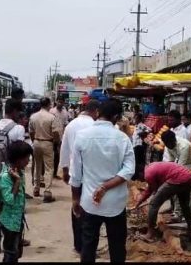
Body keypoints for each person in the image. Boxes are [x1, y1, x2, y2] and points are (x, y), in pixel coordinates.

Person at [69, 98, 135, 263]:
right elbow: (129, 170)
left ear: (98, 113)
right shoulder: (122, 139)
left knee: (88, 246)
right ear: (117, 117)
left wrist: (75, 198)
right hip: (116, 203)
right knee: (117, 246)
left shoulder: (82, 136)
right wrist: (105, 187)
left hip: (89, 201)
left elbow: (76, 173)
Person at [59, 99, 100, 254]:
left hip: (75, 173)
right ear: (96, 111)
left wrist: (64, 169)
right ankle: (89, 246)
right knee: (91, 208)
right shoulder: (94, 126)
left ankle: (78, 245)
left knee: (76, 206)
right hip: (92, 174)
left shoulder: (71, 125)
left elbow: (64, 149)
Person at [0, 98, 27, 254]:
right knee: (15, 205)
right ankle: (15, 238)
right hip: (12, 172)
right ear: (15, 112)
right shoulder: (18, 128)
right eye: (19, 112)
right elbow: (22, 151)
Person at [133, 162, 191, 243]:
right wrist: (140, 201)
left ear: (140, 173)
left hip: (178, 178)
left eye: (139, 178)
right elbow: (151, 189)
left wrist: (150, 198)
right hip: (189, 177)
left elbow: (154, 190)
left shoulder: (148, 174)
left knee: (153, 204)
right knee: (184, 205)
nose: (141, 181)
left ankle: (150, 234)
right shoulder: (150, 167)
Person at [0, 141, 33, 263]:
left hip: (17, 219)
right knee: (11, 253)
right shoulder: (6, 177)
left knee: (16, 252)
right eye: (26, 158)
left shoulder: (20, 173)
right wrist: (16, 182)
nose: (28, 161)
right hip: (9, 222)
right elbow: (9, 200)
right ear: (18, 159)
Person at [29, 97, 62, 202]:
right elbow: (56, 133)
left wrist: (34, 140)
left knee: (37, 165)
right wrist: (56, 143)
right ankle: (47, 191)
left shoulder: (33, 116)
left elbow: (31, 132)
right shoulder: (51, 117)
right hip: (48, 142)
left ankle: (36, 189)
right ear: (49, 104)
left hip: (36, 141)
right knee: (49, 168)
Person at [50, 96, 70, 180]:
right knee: (50, 155)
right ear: (56, 101)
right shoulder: (51, 111)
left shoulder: (65, 112)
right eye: (59, 101)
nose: (60, 103)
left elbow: (66, 124)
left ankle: (54, 173)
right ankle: (48, 173)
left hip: (61, 137)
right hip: (51, 136)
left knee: (58, 156)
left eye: (62, 102)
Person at [131, 113, 151, 181]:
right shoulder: (136, 126)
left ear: (139, 119)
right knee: (136, 161)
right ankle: (137, 175)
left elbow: (149, 129)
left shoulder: (141, 125)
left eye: (135, 118)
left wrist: (143, 133)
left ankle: (137, 176)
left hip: (139, 145)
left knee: (137, 161)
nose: (134, 120)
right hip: (135, 145)